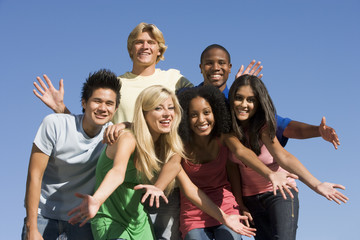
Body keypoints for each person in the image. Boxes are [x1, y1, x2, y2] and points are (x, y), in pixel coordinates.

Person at [67, 85, 256, 240]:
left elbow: (191, 190)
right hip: (111, 219)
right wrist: (97, 199)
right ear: (144, 112)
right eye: (158, 108)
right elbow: (117, 172)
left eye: (170, 108)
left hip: (138, 221)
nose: (167, 114)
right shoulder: (128, 138)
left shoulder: (169, 146)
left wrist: (225, 218)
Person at [228, 74, 348, 240]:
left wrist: (316, 184)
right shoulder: (226, 131)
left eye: (251, 100)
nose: (244, 104)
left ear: (259, 103)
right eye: (239, 98)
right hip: (251, 200)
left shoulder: (263, 126)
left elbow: (283, 155)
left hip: (279, 192)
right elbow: (237, 160)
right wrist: (240, 203)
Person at [22, 69, 121, 240]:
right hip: (43, 216)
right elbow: (34, 175)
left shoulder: (112, 136)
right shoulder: (53, 124)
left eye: (109, 103)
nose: (103, 108)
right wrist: (32, 227)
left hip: (82, 221)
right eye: (97, 101)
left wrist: (126, 124)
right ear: (84, 102)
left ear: (116, 108)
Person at [198, 44, 340, 149]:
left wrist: (317, 130)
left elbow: (283, 126)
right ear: (201, 67)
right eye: (209, 63)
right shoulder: (188, 99)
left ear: (229, 67)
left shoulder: (238, 104)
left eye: (221, 63)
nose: (216, 67)